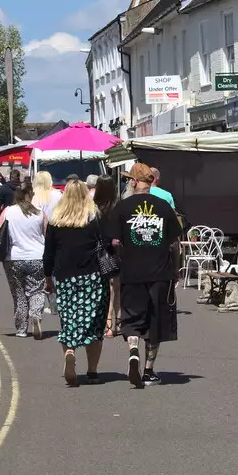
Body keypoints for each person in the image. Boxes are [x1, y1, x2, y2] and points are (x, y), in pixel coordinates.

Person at [108, 162, 182, 387]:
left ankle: (133, 350)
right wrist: (176, 269)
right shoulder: (163, 206)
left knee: (132, 317)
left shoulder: (122, 207)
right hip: (160, 272)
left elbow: (114, 241)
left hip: (132, 272)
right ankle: (149, 371)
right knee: (156, 322)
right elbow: (174, 243)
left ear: (133, 182)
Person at [44, 182, 111, 386]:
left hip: (64, 276)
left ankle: (70, 351)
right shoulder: (94, 217)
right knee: (94, 323)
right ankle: (92, 372)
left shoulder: (56, 219)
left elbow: (48, 253)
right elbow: (106, 244)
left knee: (69, 319)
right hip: (92, 275)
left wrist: (48, 277)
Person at [0, 183, 48, 338]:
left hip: (13, 258)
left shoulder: (8, 211)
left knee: (18, 293)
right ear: (30, 194)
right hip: (37, 257)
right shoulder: (40, 213)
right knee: (38, 290)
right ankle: (35, 315)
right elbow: (48, 236)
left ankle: (21, 329)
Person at [93, 173, 122, 336]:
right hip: (116, 250)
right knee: (116, 288)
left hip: (99, 252)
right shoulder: (118, 206)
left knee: (105, 290)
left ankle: (107, 323)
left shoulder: (93, 207)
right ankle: (117, 323)